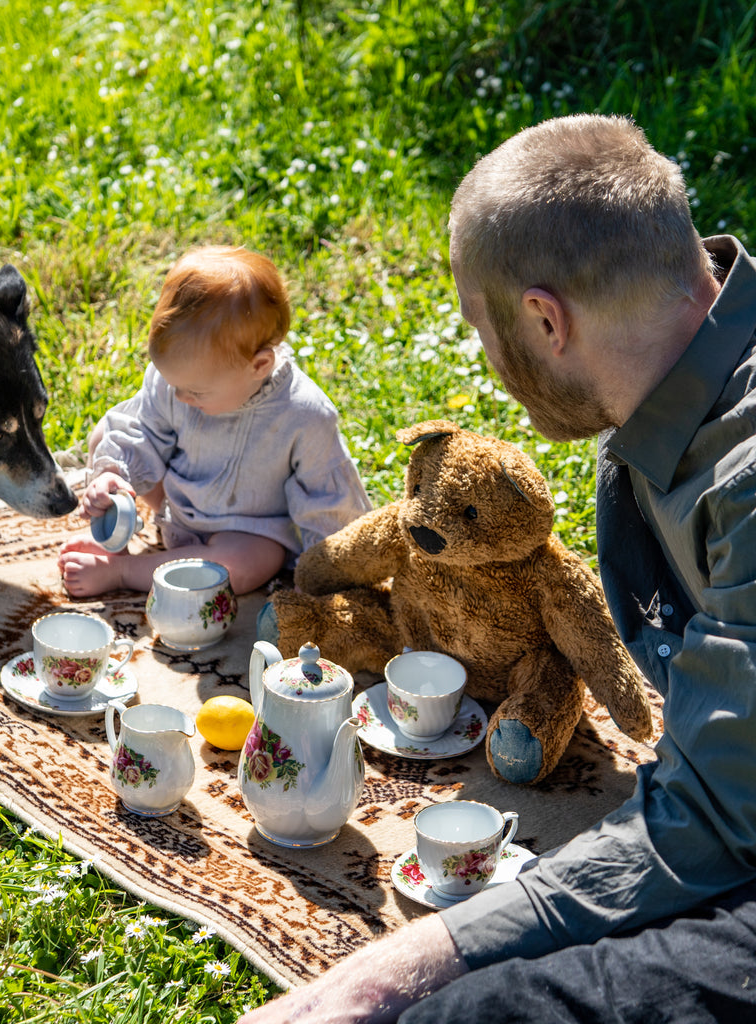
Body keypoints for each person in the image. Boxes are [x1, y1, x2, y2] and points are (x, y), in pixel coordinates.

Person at [238, 113, 756, 1023]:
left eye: (483, 332)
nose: (489, 362)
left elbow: (717, 823)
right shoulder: (683, 388)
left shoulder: (746, 488)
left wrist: (393, 970)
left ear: (545, 318)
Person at [58, 245, 371, 597]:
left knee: (242, 565)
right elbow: (141, 430)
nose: (180, 398)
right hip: (173, 505)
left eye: (195, 392)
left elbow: (328, 502)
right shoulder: (181, 382)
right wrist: (113, 476)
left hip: (245, 532)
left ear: (259, 366)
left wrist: (326, 574)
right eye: (173, 384)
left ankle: (124, 571)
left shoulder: (304, 415)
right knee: (107, 433)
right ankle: (115, 537)